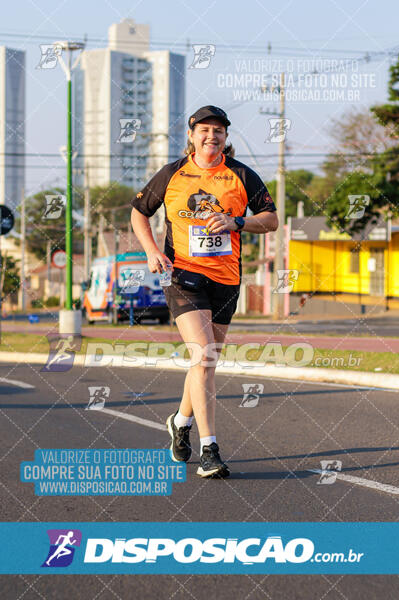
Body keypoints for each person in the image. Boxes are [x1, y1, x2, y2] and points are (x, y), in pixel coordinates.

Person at [131, 105, 278, 478]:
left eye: (219, 131)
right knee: (204, 357)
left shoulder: (242, 175)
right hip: (182, 276)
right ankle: (209, 449)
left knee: (205, 362)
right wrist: (151, 251)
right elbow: (138, 212)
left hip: (226, 280)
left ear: (226, 139)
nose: (212, 136)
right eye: (205, 130)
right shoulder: (173, 173)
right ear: (192, 136)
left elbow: (271, 220)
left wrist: (237, 220)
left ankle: (180, 422)